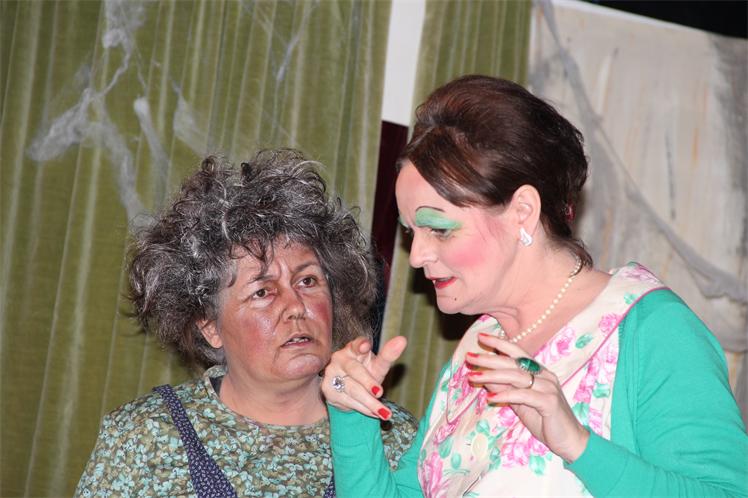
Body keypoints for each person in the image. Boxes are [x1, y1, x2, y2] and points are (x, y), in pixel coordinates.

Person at [322, 76, 748, 497]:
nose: (416, 256)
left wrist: (579, 446)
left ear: (522, 212)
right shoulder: (479, 345)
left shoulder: (652, 329)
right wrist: (351, 411)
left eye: (439, 229)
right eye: (411, 232)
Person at [75, 149, 418, 497]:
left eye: (307, 281)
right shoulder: (143, 438)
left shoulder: (397, 437)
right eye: (262, 292)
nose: (296, 307)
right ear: (210, 327)